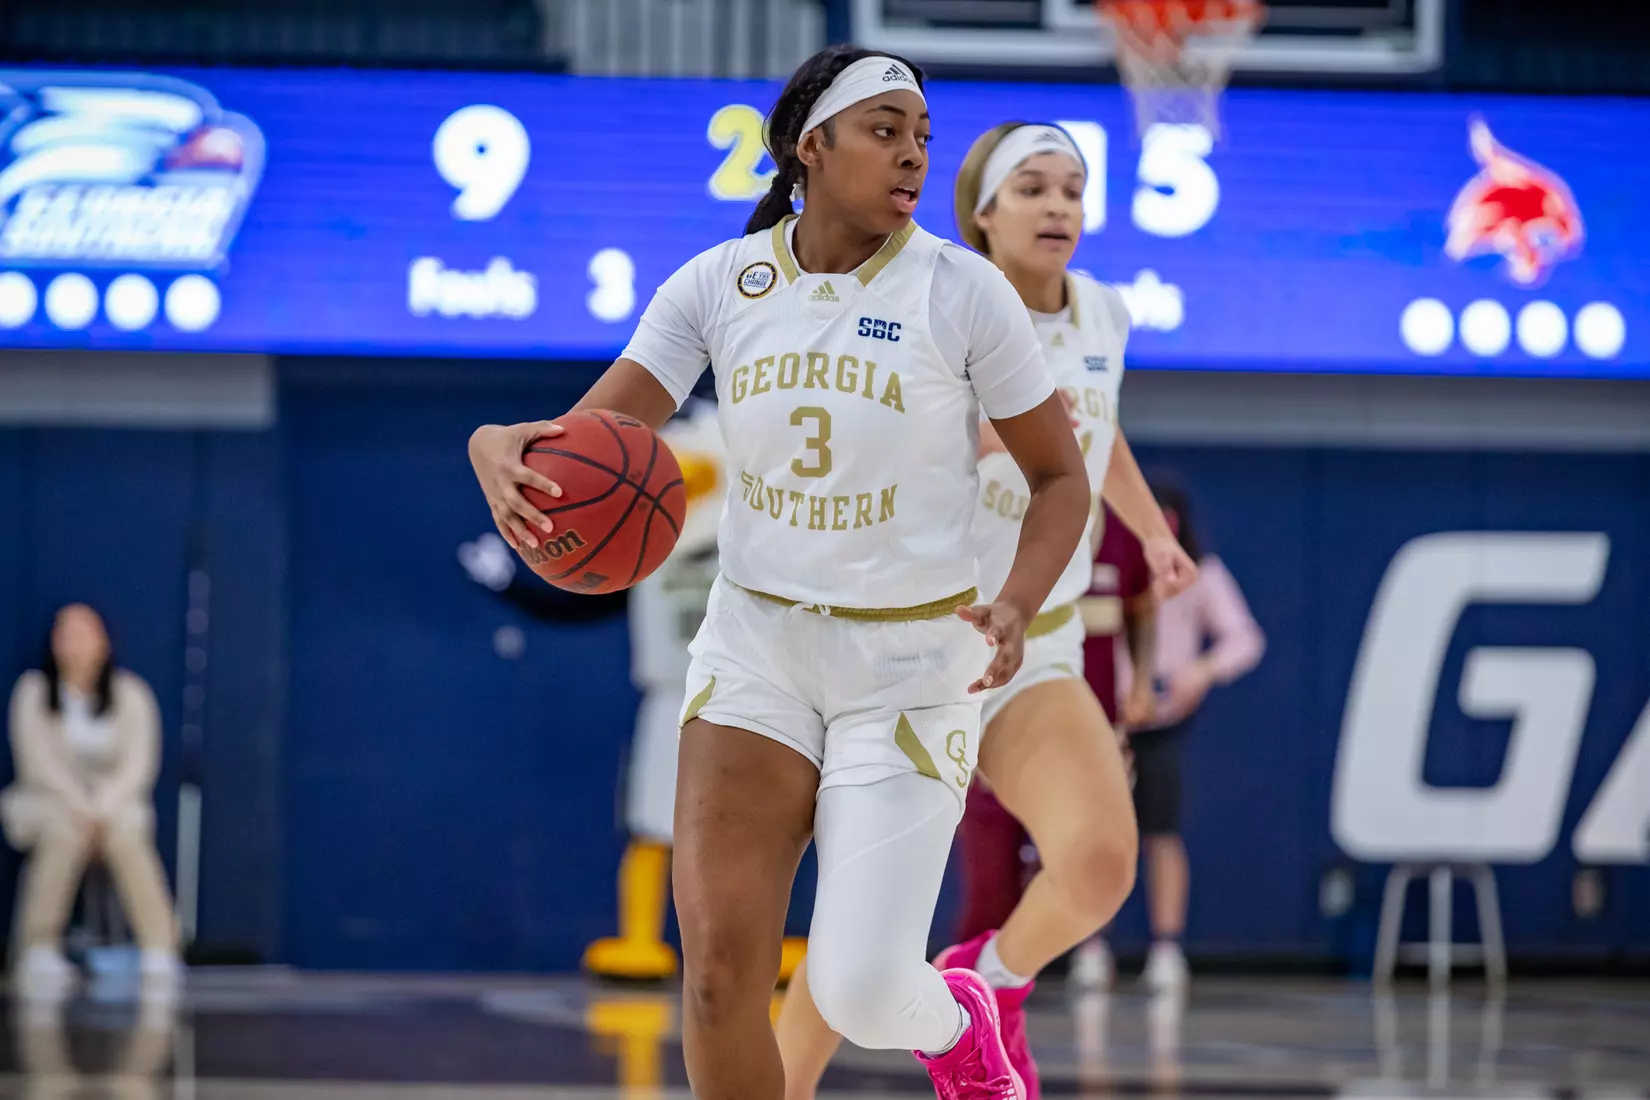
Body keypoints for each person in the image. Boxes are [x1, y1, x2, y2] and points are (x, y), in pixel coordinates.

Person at [469, 46, 1099, 1100]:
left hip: (910, 663)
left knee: (860, 991)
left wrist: (1017, 604)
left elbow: (1060, 479)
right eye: (885, 131)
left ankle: (962, 1022)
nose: (913, 155)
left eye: (922, 137)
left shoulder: (963, 291)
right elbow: (594, 441)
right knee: (720, 976)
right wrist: (497, 443)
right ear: (813, 146)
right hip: (756, 647)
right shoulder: (720, 283)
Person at [773, 122, 1196, 1100]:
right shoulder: (930, 307)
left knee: (1101, 862)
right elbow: (850, 455)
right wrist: (973, 445)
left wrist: (1149, 530)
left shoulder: (1104, 312)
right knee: (860, 941)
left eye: (1072, 190)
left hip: (1034, 645)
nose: (1058, 206)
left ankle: (988, 983)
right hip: (914, 653)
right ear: (984, 212)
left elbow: (1098, 432)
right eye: (1033, 188)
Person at [1115, 481, 1265, 993]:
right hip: (1107, 717)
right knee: (1099, 833)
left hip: (1165, 720)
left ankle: (1165, 948)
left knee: (1162, 831)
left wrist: (1200, 671)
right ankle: (1089, 948)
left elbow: (1244, 638)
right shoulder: (1107, 567)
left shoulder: (1202, 573)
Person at [3, 604, 182, 998]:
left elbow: (138, 766)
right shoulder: (33, 692)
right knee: (64, 830)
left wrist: (101, 807)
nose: (76, 644)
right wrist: (80, 807)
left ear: (104, 643)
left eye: (85, 634)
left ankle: (159, 948)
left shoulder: (131, 694)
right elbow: (37, 764)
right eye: (66, 634)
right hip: (48, 801)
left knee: (127, 830)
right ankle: (37, 947)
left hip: (113, 806)